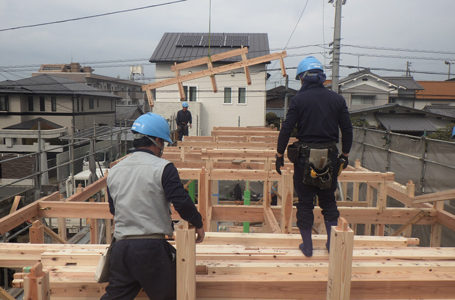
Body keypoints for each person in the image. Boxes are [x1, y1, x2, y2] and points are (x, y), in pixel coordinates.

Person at [101, 112, 205, 300]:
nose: (163, 148)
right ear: (157, 140)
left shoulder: (114, 170)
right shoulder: (163, 167)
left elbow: (114, 209)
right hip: (150, 250)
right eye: (163, 143)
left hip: (120, 249)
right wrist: (198, 223)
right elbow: (181, 201)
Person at [275, 56, 353, 257]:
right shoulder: (337, 99)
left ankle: (308, 247)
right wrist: (345, 154)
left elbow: (286, 129)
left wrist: (279, 154)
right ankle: (331, 244)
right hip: (329, 157)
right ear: (322, 77)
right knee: (328, 201)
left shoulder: (299, 100)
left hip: (304, 158)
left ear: (302, 78)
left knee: (305, 202)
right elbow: (347, 129)